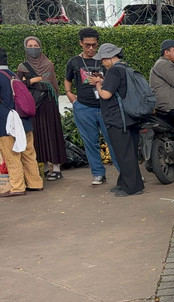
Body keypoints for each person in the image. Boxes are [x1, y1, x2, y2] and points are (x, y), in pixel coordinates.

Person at [64, 27, 119, 186]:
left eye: (94, 45)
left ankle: (125, 172)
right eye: (87, 45)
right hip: (83, 107)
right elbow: (68, 79)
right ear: (81, 43)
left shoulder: (105, 60)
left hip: (105, 106)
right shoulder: (74, 62)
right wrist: (69, 93)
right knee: (90, 142)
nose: (91, 48)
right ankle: (98, 174)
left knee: (114, 140)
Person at [92, 44, 144, 197]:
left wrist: (97, 84)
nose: (102, 62)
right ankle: (125, 183)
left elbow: (106, 95)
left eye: (102, 59)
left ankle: (131, 187)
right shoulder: (125, 68)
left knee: (123, 154)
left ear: (109, 57)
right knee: (130, 152)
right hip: (130, 116)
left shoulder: (114, 71)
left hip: (118, 119)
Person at [17, 36, 67, 181]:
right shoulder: (23, 66)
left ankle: (56, 168)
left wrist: (31, 82)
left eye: (35, 45)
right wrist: (32, 80)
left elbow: (50, 83)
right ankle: (44, 168)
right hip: (33, 106)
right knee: (38, 135)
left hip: (49, 104)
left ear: (40, 47)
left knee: (51, 134)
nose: (33, 48)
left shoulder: (48, 64)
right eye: (30, 46)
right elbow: (19, 85)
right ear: (25, 48)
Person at [0, 47, 43, 197]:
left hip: (6, 124)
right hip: (24, 120)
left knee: (11, 154)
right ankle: (35, 183)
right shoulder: (13, 75)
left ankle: (18, 187)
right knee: (28, 153)